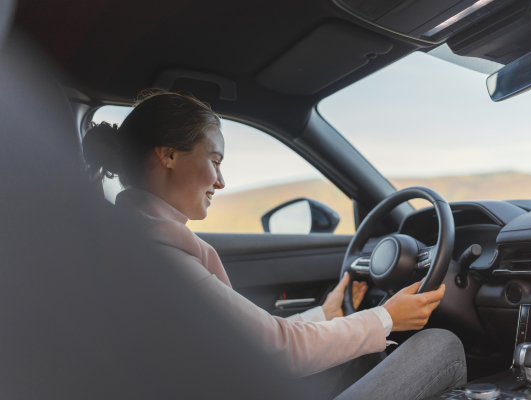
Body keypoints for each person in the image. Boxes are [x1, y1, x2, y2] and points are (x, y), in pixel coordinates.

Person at [82, 90, 466, 399]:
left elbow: (253, 342)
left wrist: (325, 314)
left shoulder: (132, 240)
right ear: (167, 155)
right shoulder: (161, 255)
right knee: (440, 346)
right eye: (215, 160)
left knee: (363, 360)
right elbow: (281, 350)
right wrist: (387, 318)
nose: (221, 181)